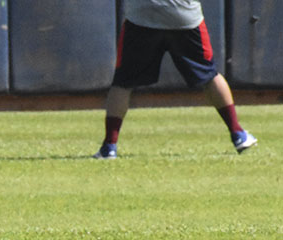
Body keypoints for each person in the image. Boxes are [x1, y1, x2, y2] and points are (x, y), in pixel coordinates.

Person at [93, 0, 257, 159]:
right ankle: (237, 134)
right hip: (183, 14)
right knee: (210, 75)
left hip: (142, 14)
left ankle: (109, 146)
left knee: (123, 82)